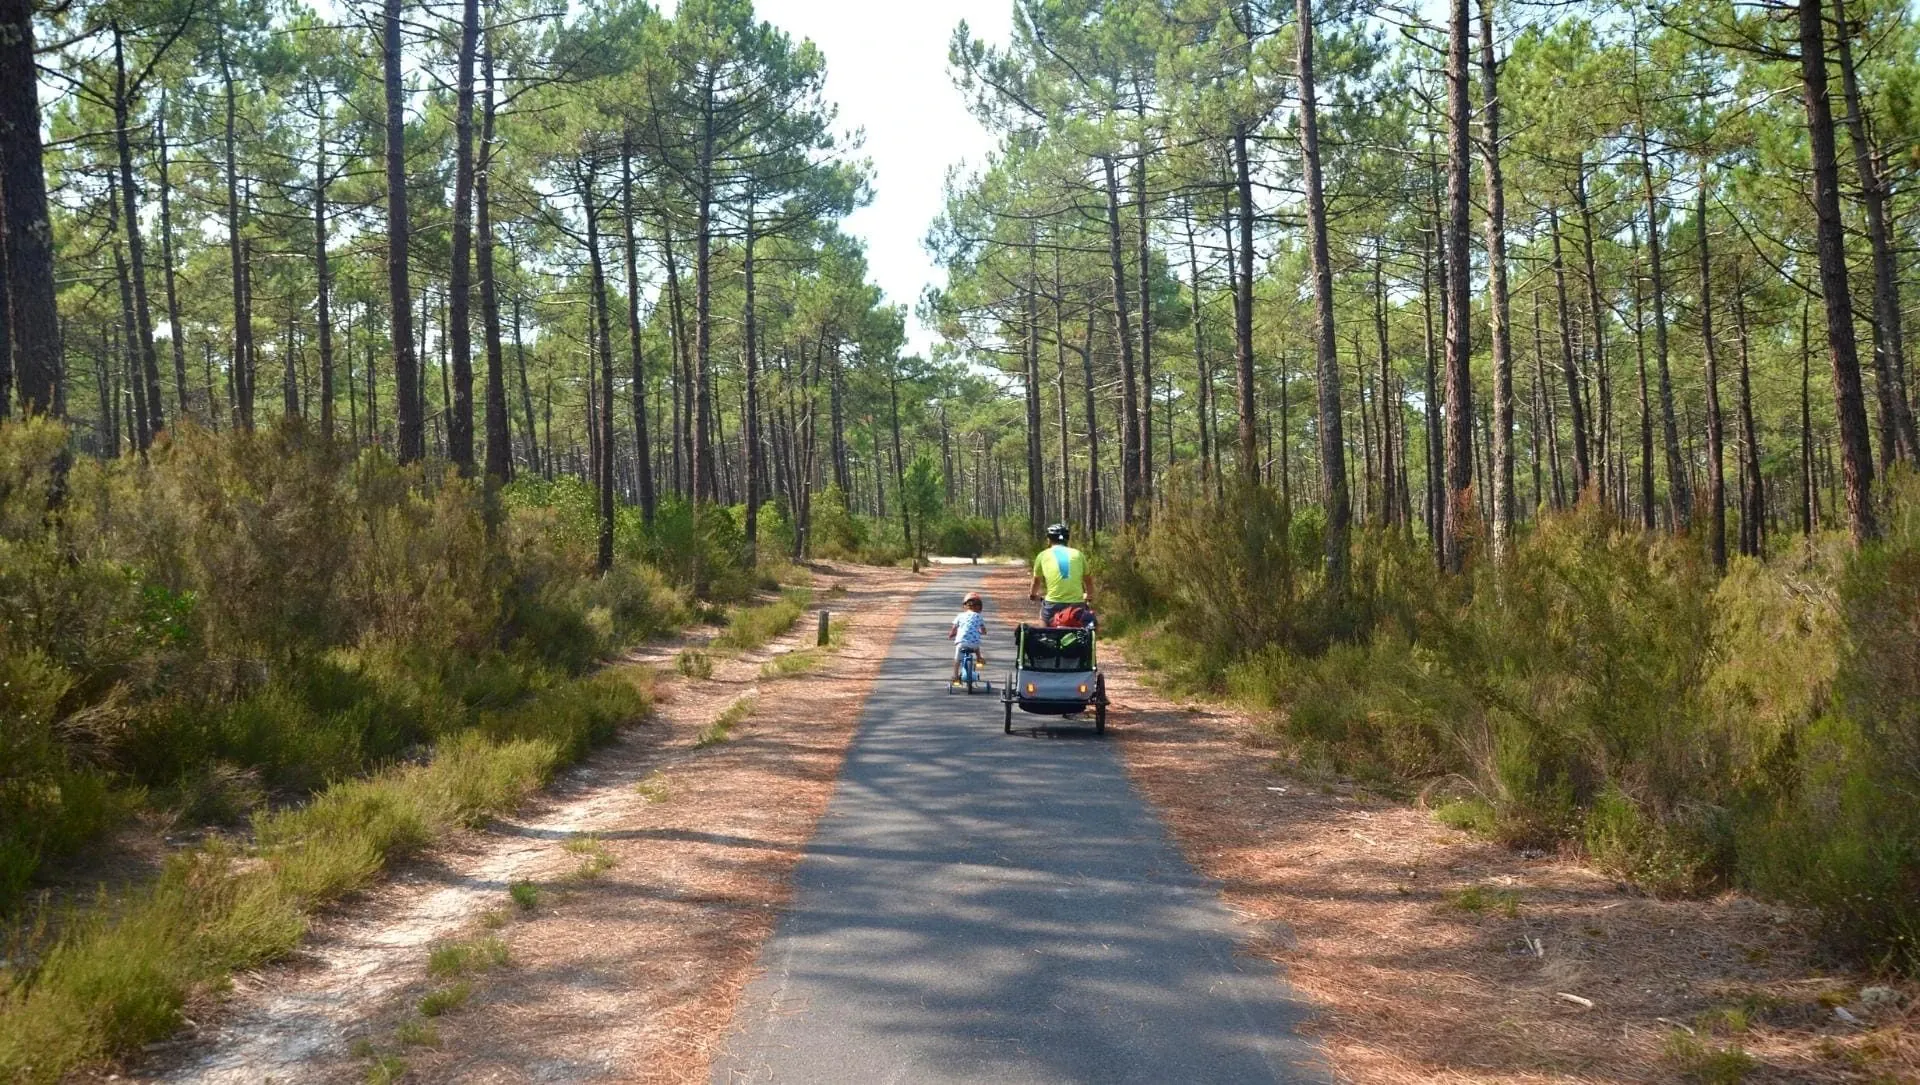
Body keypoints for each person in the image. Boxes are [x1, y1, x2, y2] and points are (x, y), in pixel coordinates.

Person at [1028, 523, 1093, 624]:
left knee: (1043, 620)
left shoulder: (1043, 555)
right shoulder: (1078, 554)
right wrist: (1089, 596)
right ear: (1067, 539)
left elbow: (1036, 581)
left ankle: (1044, 636)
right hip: (1076, 604)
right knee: (1085, 627)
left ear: (1049, 540)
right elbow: (1088, 580)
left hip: (1053, 603)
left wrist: (1032, 595)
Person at [948, 591, 987, 682]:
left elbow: (954, 628)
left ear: (965, 606)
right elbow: (983, 629)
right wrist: (983, 632)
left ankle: (955, 676)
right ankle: (979, 658)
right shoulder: (979, 617)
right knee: (976, 645)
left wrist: (952, 634)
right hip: (974, 644)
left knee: (957, 659)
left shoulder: (960, 616)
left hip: (961, 643)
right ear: (979, 607)